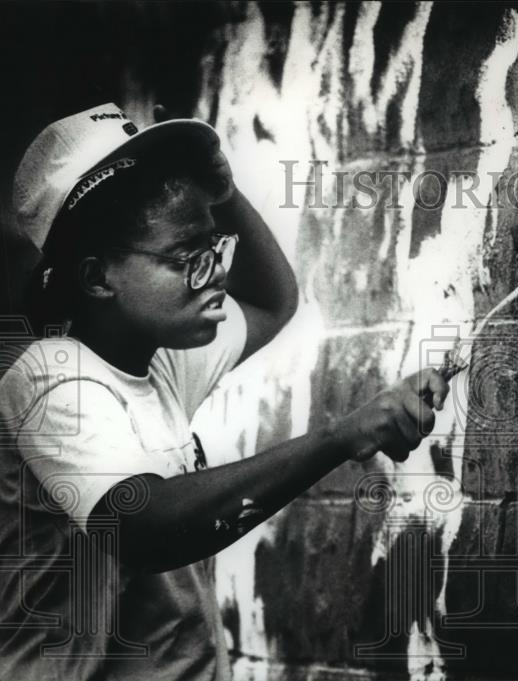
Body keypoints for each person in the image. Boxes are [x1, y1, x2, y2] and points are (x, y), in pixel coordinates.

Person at [0, 102, 448, 680]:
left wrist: (224, 193)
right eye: (187, 257)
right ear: (95, 278)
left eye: (217, 249)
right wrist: (342, 435)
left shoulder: (154, 359)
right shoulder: (49, 380)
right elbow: (142, 526)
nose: (214, 274)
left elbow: (270, 300)